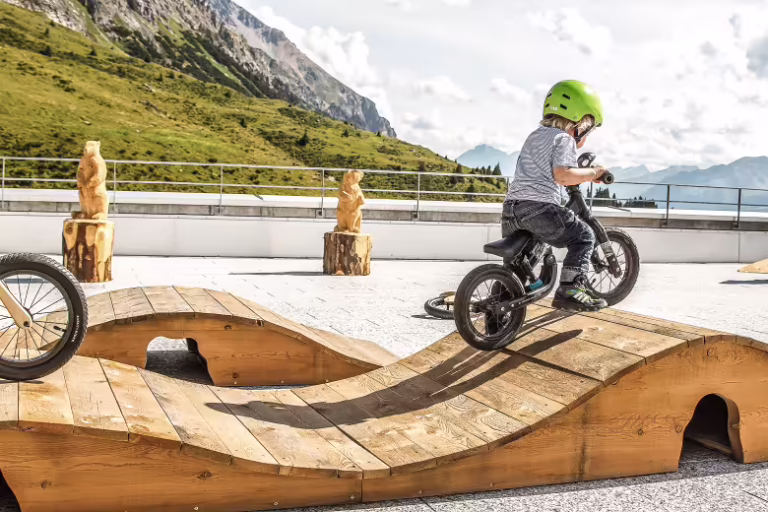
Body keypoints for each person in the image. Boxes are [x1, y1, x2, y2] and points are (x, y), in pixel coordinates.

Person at [502, 80, 609, 312]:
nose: (586, 134)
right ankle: (571, 289)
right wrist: (593, 173)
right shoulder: (564, 138)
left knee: (521, 264)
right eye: (589, 126)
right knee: (584, 237)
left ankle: (499, 306)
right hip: (540, 208)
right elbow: (562, 175)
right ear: (580, 120)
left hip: (512, 209)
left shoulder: (534, 136)